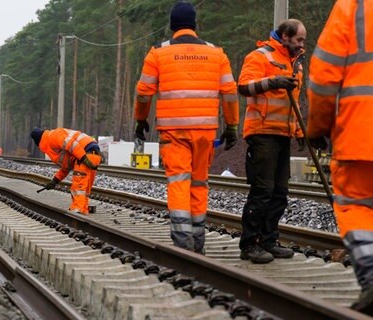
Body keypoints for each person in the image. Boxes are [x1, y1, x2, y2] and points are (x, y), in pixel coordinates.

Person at [133, 1, 239, 254]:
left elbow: (144, 93)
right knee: (200, 181)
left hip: (173, 132)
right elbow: (230, 92)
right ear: (195, 25)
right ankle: (199, 239)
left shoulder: (158, 53)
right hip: (205, 131)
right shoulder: (217, 53)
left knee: (179, 181)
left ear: (172, 26)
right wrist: (232, 126)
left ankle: (183, 242)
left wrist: (141, 120)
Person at [306, 0, 373, 314]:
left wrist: (317, 127)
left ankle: (372, 273)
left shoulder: (353, 7)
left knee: (357, 204)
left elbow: (324, 76)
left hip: (362, 131)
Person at [237, 19, 306, 264]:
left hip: (282, 134)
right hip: (262, 132)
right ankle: (250, 244)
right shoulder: (260, 56)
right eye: (298, 39)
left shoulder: (295, 63)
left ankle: (269, 240)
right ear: (285, 36)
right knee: (262, 191)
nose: (302, 44)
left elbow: (293, 103)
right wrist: (272, 82)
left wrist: (299, 132)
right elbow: (243, 86)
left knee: (279, 193)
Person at [30, 127, 101, 215]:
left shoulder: (53, 136)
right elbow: (66, 167)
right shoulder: (55, 143)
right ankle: (83, 208)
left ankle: (77, 210)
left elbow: (71, 145)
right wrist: (54, 181)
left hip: (85, 152)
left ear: (39, 142)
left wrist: (83, 158)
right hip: (93, 153)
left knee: (78, 185)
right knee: (85, 187)